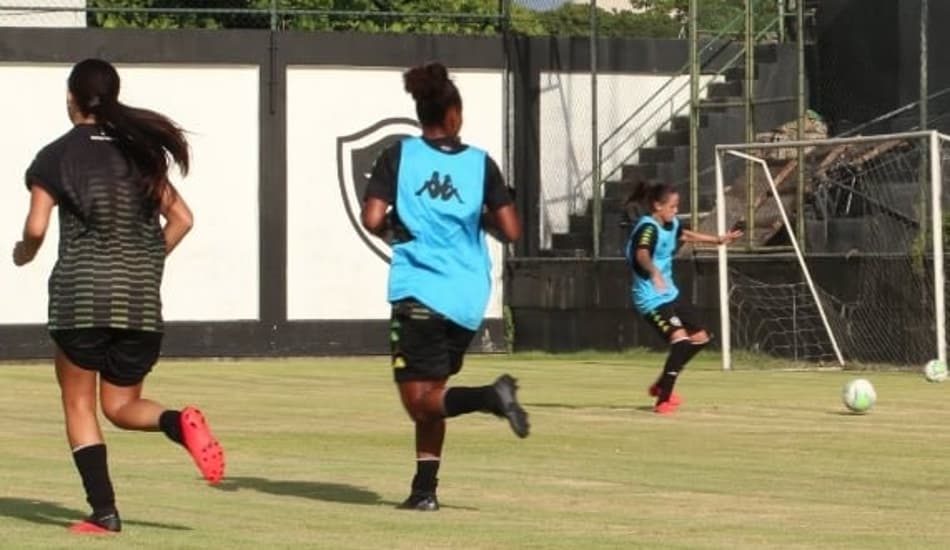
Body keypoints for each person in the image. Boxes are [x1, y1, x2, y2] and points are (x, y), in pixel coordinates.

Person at [12, 58, 224, 534]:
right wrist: (146, 264)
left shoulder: (56, 155)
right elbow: (183, 219)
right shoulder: (141, 154)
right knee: (121, 406)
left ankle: (104, 512)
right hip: (141, 302)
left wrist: (23, 253)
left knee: (80, 405)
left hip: (80, 300)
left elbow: (36, 227)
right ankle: (177, 421)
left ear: (71, 98)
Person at [361, 61, 529, 512]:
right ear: (453, 114)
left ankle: (491, 397)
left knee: (420, 403)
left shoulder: (400, 156)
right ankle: (424, 491)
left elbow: (373, 218)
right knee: (433, 397)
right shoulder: (480, 164)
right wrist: (478, 213)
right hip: (467, 299)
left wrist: (398, 232)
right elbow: (511, 229)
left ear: (423, 113)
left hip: (419, 292)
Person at [624, 181, 742, 414]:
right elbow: (641, 254)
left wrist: (717, 239)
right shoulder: (648, 228)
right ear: (657, 206)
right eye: (672, 206)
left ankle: (660, 385)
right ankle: (663, 398)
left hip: (670, 294)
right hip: (650, 298)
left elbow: (683, 233)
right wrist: (653, 271)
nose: (676, 210)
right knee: (680, 341)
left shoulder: (671, 224)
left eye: (677, 206)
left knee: (700, 338)